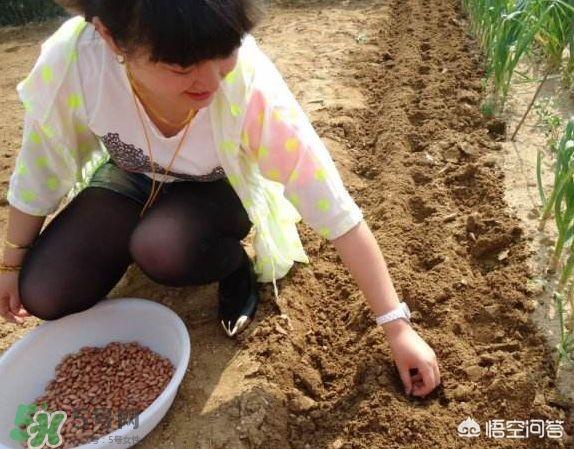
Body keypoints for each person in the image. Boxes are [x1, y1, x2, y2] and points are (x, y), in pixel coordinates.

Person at [0, 0, 440, 397]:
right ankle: (135, 233)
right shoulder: (77, 61)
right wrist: (11, 262)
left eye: (224, 51)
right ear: (111, 38)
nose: (210, 81)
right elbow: (43, 162)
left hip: (215, 188)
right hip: (131, 174)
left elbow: (331, 202)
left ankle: (234, 267)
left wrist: (396, 326)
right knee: (45, 292)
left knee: (162, 248)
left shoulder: (248, 86)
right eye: (180, 65)